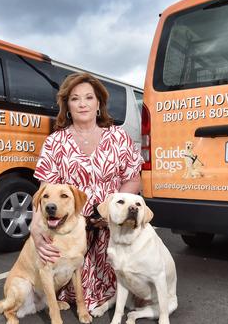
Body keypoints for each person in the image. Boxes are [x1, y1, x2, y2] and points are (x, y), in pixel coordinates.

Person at [31, 72, 142, 313]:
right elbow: (44, 191)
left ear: (99, 103)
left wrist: (113, 211)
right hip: (71, 230)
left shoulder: (118, 136)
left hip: (111, 226)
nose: (82, 103)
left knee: (134, 283)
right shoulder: (55, 142)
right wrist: (35, 229)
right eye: (75, 98)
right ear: (67, 105)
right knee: (48, 278)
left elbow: (133, 179)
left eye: (89, 97)